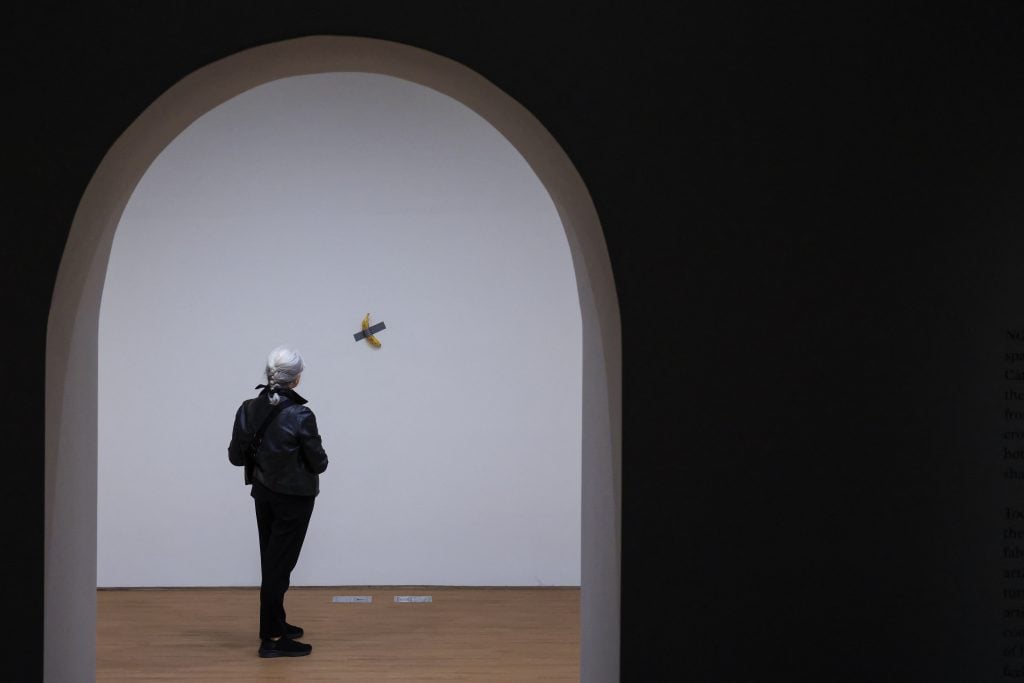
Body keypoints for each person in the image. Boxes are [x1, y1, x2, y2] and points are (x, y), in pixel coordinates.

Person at [228, 346, 329, 658]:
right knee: (279, 567)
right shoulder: (300, 414)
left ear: (269, 374)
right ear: (296, 379)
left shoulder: (247, 408)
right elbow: (319, 463)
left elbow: (235, 457)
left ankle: (277, 623)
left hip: (263, 494)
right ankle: (272, 638)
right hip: (295, 499)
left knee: (272, 563)